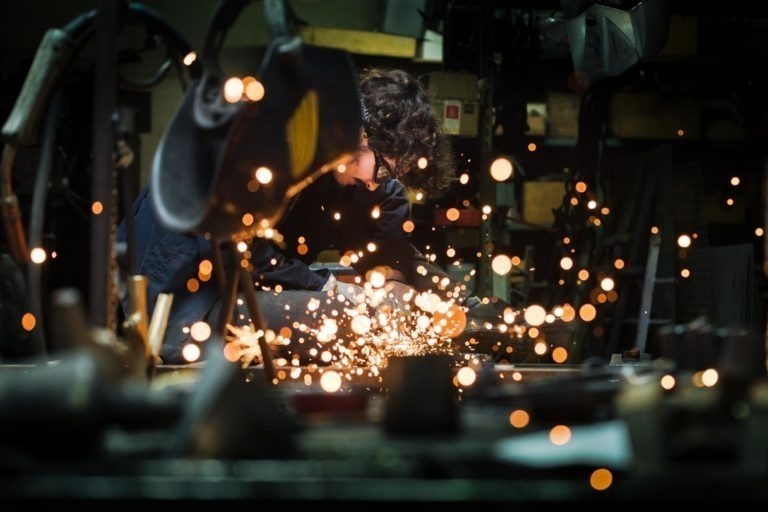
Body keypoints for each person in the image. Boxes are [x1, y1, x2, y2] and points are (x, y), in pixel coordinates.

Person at [120, 68, 464, 364]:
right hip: (187, 297)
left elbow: (387, 236)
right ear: (362, 133)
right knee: (355, 319)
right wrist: (326, 287)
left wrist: (395, 280)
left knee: (421, 296)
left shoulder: (365, 176)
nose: (377, 184)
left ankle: (478, 314)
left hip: (247, 281)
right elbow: (236, 251)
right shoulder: (272, 140)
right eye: (386, 171)